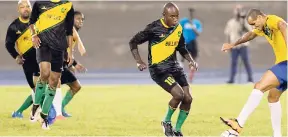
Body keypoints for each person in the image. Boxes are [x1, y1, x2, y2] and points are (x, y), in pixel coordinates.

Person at [129, 2, 198, 137]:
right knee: (178, 95)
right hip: (158, 69)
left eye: (177, 16)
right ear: (164, 15)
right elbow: (133, 42)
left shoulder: (178, 28)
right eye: (172, 16)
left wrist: (191, 60)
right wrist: (139, 61)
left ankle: (177, 130)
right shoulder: (154, 28)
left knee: (188, 98)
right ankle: (166, 122)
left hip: (174, 67)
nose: (175, 19)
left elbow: (182, 48)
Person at [220, 9, 287, 137]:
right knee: (273, 97)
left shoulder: (271, 19)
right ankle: (277, 135)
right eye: (251, 25)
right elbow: (249, 35)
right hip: (282, 64)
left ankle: (237, 126)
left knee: (259, 86)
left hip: (286, 63)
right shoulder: (262, 27)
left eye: (254, 23)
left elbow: (283, 25)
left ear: (261, 17)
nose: (253, 26)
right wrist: (232, 44)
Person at [29, 0, 74, 129]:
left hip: (59, 48)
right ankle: (36, 105)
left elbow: (69, 31)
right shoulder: (39, 3)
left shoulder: (67, 5)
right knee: (44, 73)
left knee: (54, 81)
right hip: (43, 45)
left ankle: (44, 117)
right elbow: (31, 22)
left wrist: (71, 51)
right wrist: (34, 35)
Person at [5, 0, 39, 118]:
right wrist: (16, 56)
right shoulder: (14, 26)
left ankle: (41, 113)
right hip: (28, 62)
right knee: (37, 90)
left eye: (28, 6)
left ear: (31, 8)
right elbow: (8, 44)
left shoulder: (38, 22)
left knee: (43, 88)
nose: (25, 9)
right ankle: (19, 112)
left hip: (42, 59)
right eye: (22, 7)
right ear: (18, 10)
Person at [53, 10, 87, 120]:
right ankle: (55, 111)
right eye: (78, 19)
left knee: (76, 86)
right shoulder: (65, 30)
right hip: (55, 62)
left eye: (82, 19)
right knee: (43, 88)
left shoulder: (73, 34)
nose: (80, 21)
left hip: (62, 63)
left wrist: (75, 63)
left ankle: (60, 108)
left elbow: (67, 51)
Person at [224, 5, 253, 84]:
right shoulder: (230, 22)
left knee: (246, 62)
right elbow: (228, 35)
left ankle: (250, 79)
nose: (237, 12)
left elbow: (250, 31)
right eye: (236, 10)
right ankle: (232, 79)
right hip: (234, 45)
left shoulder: (245, 21)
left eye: (239, 10)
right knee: (233, 62)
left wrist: (243, 22)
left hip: (243, 45)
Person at [179, 8, 202, 83]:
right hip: (185, 42)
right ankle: (180, 76)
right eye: (190, 13)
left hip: (193, 42)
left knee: (193, 59)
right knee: (182, 58)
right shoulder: (184, 21)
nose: (191, 14)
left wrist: (193, 27)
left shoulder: (196, 23)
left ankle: (191, 77)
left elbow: (198, 33)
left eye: (192, 13)